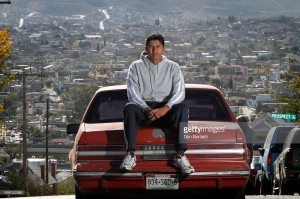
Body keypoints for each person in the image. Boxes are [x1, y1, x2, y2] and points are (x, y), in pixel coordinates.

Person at [120, 33, 194, 174]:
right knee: (129, 107)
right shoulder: (135, 67)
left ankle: (180, 155)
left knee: (183, 108)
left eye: (158, 46)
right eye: (151, 47)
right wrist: (146, 108)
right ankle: (130, 154)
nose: (154, 50)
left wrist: (166, 108)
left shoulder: (173, 67)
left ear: (163, 48)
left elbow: (179, 92)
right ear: (146, 48)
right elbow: (132, 92)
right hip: (143, 111)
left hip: (166, 111)